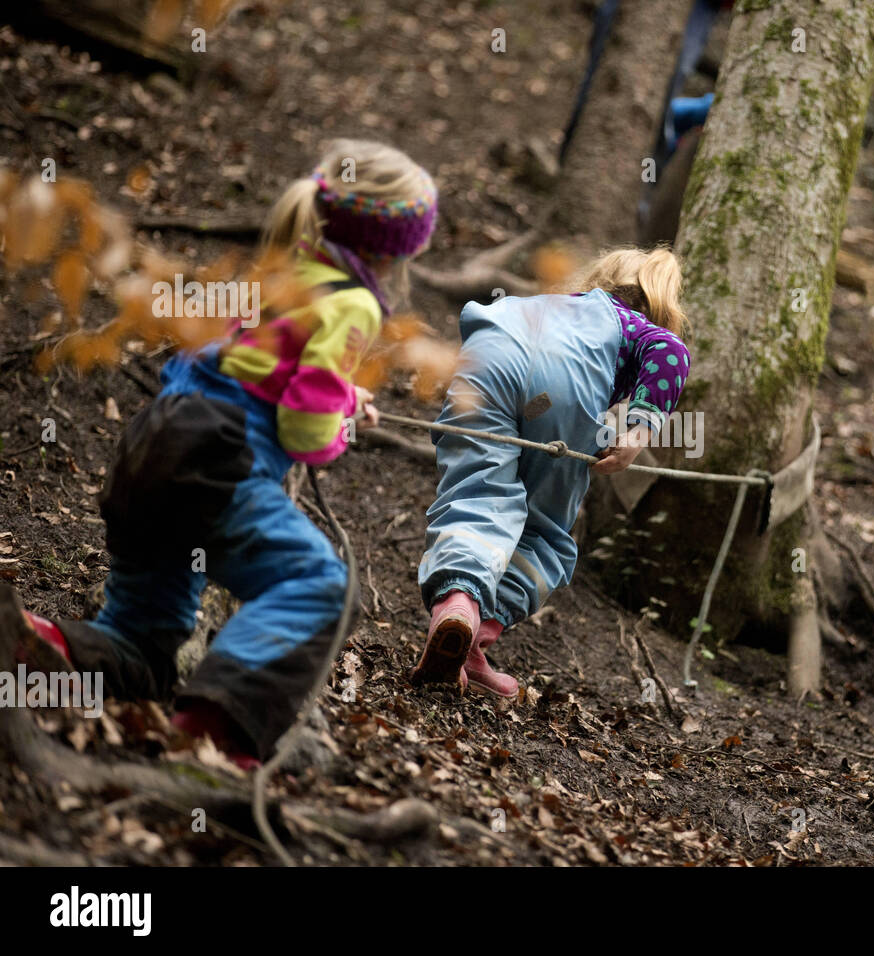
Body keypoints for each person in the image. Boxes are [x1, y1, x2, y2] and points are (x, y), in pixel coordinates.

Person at [16, 139, 437, 768]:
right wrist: (340, 423)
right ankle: (213, 737)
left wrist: (342, 394)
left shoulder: (280, 274)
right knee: (320, 586)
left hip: (152, 447)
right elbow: (303, 430)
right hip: (215, 463)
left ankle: (37, 649)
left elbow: (255, 364)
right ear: (396, 245)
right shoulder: (353, 303)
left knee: (141, 643)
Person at [413, 248, 690, 698]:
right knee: (544, 532)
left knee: (475, 491)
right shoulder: (630, 324)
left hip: (487, 356)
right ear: (657, 303)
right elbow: (670, 353)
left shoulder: (546, 304)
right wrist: (639, 430)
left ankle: (458, 606)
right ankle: (478, 624)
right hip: (561, 384)